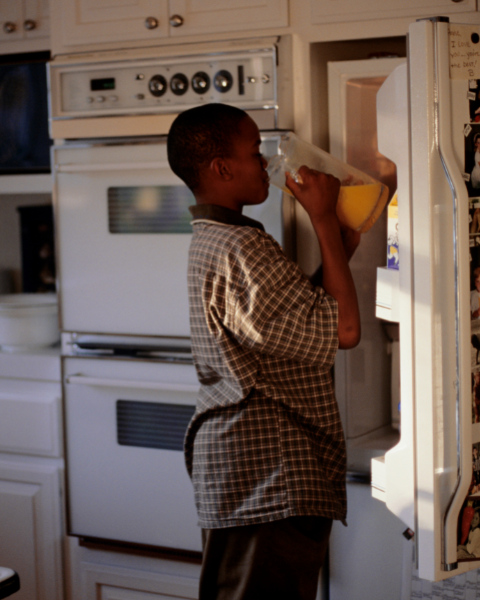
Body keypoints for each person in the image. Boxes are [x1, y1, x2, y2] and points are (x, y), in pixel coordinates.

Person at [168, 103, 361, 600]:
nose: (268, 164)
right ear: (222, 169)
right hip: (267, 473)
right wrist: (320, 217)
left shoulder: (221, 239)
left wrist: (340, 243)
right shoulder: (241, 248)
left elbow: (303, 324)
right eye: (256, 152)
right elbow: (344, 330)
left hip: (255, 472)